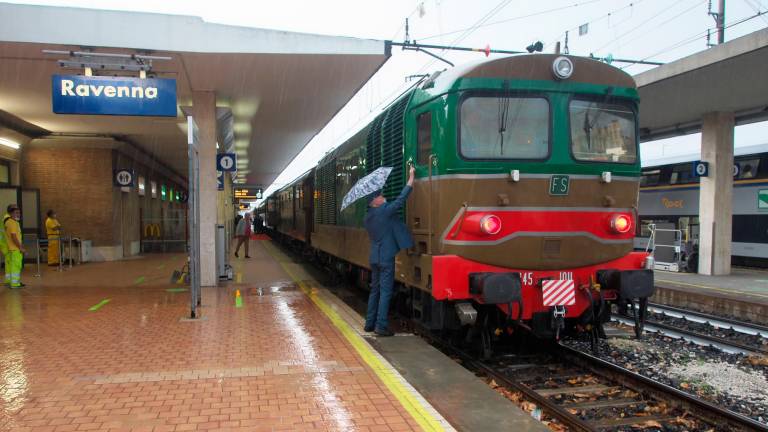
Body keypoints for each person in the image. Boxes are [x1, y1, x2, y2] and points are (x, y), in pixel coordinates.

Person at [364, 165, 415, 336]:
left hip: (374, 257)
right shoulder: (385, 211)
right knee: (385, 292)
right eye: (379, 195)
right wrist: (411, 180)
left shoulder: (368, 217)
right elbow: (401, 200)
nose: (382, 196)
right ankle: (381, 326)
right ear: (374, 201)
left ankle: (369, 324)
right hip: (386, 258)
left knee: (375, 290)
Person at [5, 205, 24, 288]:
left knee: (10, 266)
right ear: (11, 213)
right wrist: (20, 247)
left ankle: (9, 282)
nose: (18, 214)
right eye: (16, 213)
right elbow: (14, 237)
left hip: (10, 248)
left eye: (19, 213)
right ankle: (15, 283)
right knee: (16, 266)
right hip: (15, 249)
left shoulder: (8, 222)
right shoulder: (13, 223)